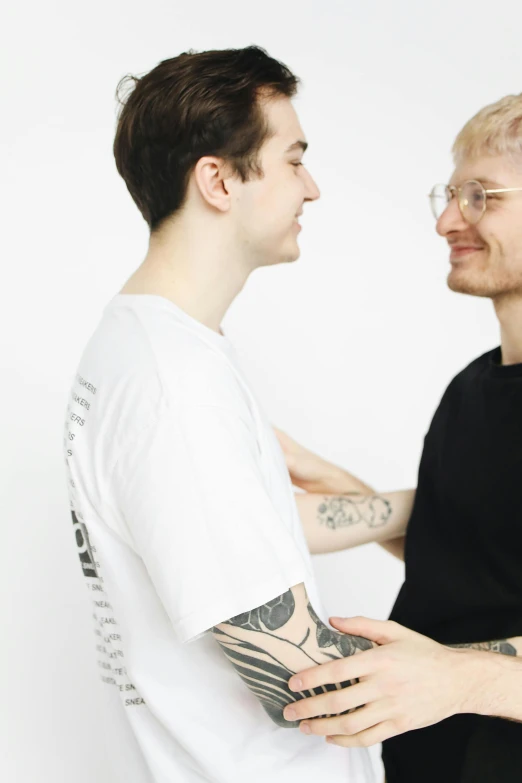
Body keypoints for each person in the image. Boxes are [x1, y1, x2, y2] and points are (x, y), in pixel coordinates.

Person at [63, 45, 393, 783]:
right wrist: (495, 668)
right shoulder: (171, 387)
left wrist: (410, 510)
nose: (312, 188)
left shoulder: (154, 348)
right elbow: (303, 681)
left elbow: (235, 543)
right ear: (218, 179)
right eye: (293, 159)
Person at [274, 94, 522, 783]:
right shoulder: (471, 389)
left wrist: (461, 680)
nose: (448, 220)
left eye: (480, 196)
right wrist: (334, 486)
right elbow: (481, 549)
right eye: (449, 194)